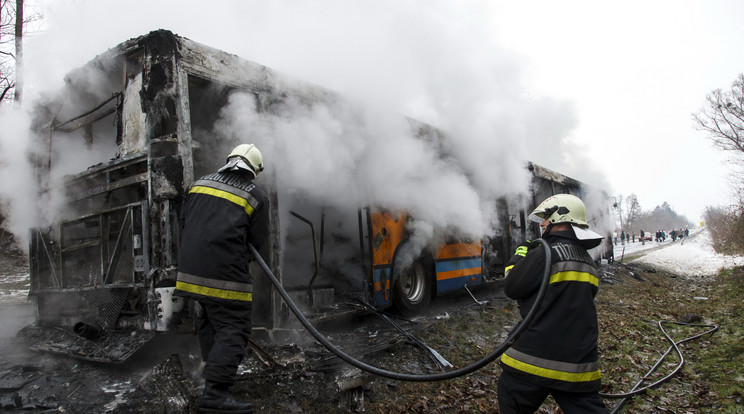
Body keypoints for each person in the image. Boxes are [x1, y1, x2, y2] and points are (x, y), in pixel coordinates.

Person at [175, 143, 269, 414]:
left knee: (211, 322)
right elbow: (256, 241)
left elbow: (185, 221)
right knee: (234, 327)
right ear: (254, 170)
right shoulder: (254, 195)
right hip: (224, 275)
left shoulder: (199, 183)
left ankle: (212, 373)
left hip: (190, 272)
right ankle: (215, 394)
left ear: (229, 161)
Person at [498, 194, 609, 413]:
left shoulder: (545, 254)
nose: (543, 224)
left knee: (510, 395)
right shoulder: (587, 260)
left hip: (535, 358)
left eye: (546, 218)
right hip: (578, 362)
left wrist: (519, 257)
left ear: (560, 218)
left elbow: (512, 287)